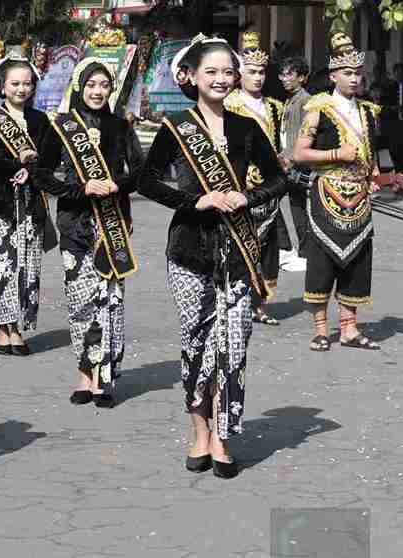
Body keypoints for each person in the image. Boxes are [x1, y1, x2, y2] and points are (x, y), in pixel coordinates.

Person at [137, 36, 286, 477]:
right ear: (192, 77)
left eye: (227, 72)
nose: (221, 79)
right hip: (189, 250)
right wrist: (195, 201)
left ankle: (222, 437)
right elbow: (146, 181)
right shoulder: (175, 126)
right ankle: (198, 431)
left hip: (238, 251)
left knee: (233, 346)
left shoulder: (247, 127)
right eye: (212, 72)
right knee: (197, 344)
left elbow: (278, 180)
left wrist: (247, 196)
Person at [43, 59, 143, 406]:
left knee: (110, 300)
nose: (98, 92)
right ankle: (84, 374)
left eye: (104, 85)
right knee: (80, 301)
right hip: (74, 224)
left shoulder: (121, 125)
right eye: (91, 85)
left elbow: (141, 172)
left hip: (113, 224)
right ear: (79, 86)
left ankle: (105, 378)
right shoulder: (61, 126)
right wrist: (81, 188)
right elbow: (43, 175)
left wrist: (117, 184)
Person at [293, 32, 384, 353]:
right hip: (327, 193)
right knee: (323, 261)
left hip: (360, 197)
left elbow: (372, 152)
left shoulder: (368, 111)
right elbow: (300, 153)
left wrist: (378, 176)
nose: (354, 78)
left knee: (357, 262)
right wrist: (336, 155)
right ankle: (321, 330)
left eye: (358, 72)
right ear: (333, 76)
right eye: (347, 73)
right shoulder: (318, 108)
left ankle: (349, 328)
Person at [0, 56, 55, 356]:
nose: (22, 89)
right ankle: (2, 327)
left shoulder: (41, 120)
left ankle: (16, 326)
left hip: (31, 203)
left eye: (27, 83)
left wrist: (32, 169)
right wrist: (14, 164)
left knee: (27, 266)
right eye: (15, 83)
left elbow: (51, 160)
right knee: (0, 264)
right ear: (2, 86)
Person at [225, 31, 289, 325]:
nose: (258, 77)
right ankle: (236, 301)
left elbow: (280, 144)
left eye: (262, 72)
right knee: (239, 244)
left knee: (267, 248)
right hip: (239, 185)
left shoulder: (275, 107)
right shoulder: (229, 104)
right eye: (252, 71)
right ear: (240, 74)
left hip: (268, 188)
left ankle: (259, 304)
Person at [278, 56, 311, 273]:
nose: (284, 78)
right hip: (287, 161)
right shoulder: (290, 99)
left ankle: (286, 248)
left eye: (290, 74)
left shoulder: (305, 101)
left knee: (270, 202)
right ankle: (304, 252)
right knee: (297, 208)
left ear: (302, 77)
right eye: (282, 74)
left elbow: (305, 135)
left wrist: (290, 159)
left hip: (294, 165)